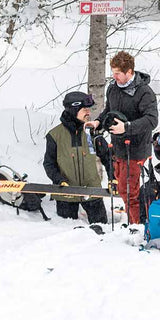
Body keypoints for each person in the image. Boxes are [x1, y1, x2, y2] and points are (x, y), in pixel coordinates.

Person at [96, 51, 158, 225]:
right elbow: (109, 110)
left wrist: (128, 127)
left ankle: (138, 227)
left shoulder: (144, 92)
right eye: (113, 73)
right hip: (117, 148)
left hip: (136, 149)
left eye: (117, 73)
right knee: (123, 189)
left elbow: (152, 120)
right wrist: (98, 122)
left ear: (129, 72)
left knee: (129, 191)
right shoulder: (113, 88)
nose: (114, 77)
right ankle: (134, 223)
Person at [43, 91, 110, 228]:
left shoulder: (92, 132)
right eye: (84, 109)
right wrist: (59, 180)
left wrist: (113, 178)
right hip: (66, 194)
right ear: (73, 110)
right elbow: (49, 164)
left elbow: (108, 158)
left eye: (89, 109)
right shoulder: (54, 135)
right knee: (68, 233)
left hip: (92, 192)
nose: (88, 113)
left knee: (103, 230)